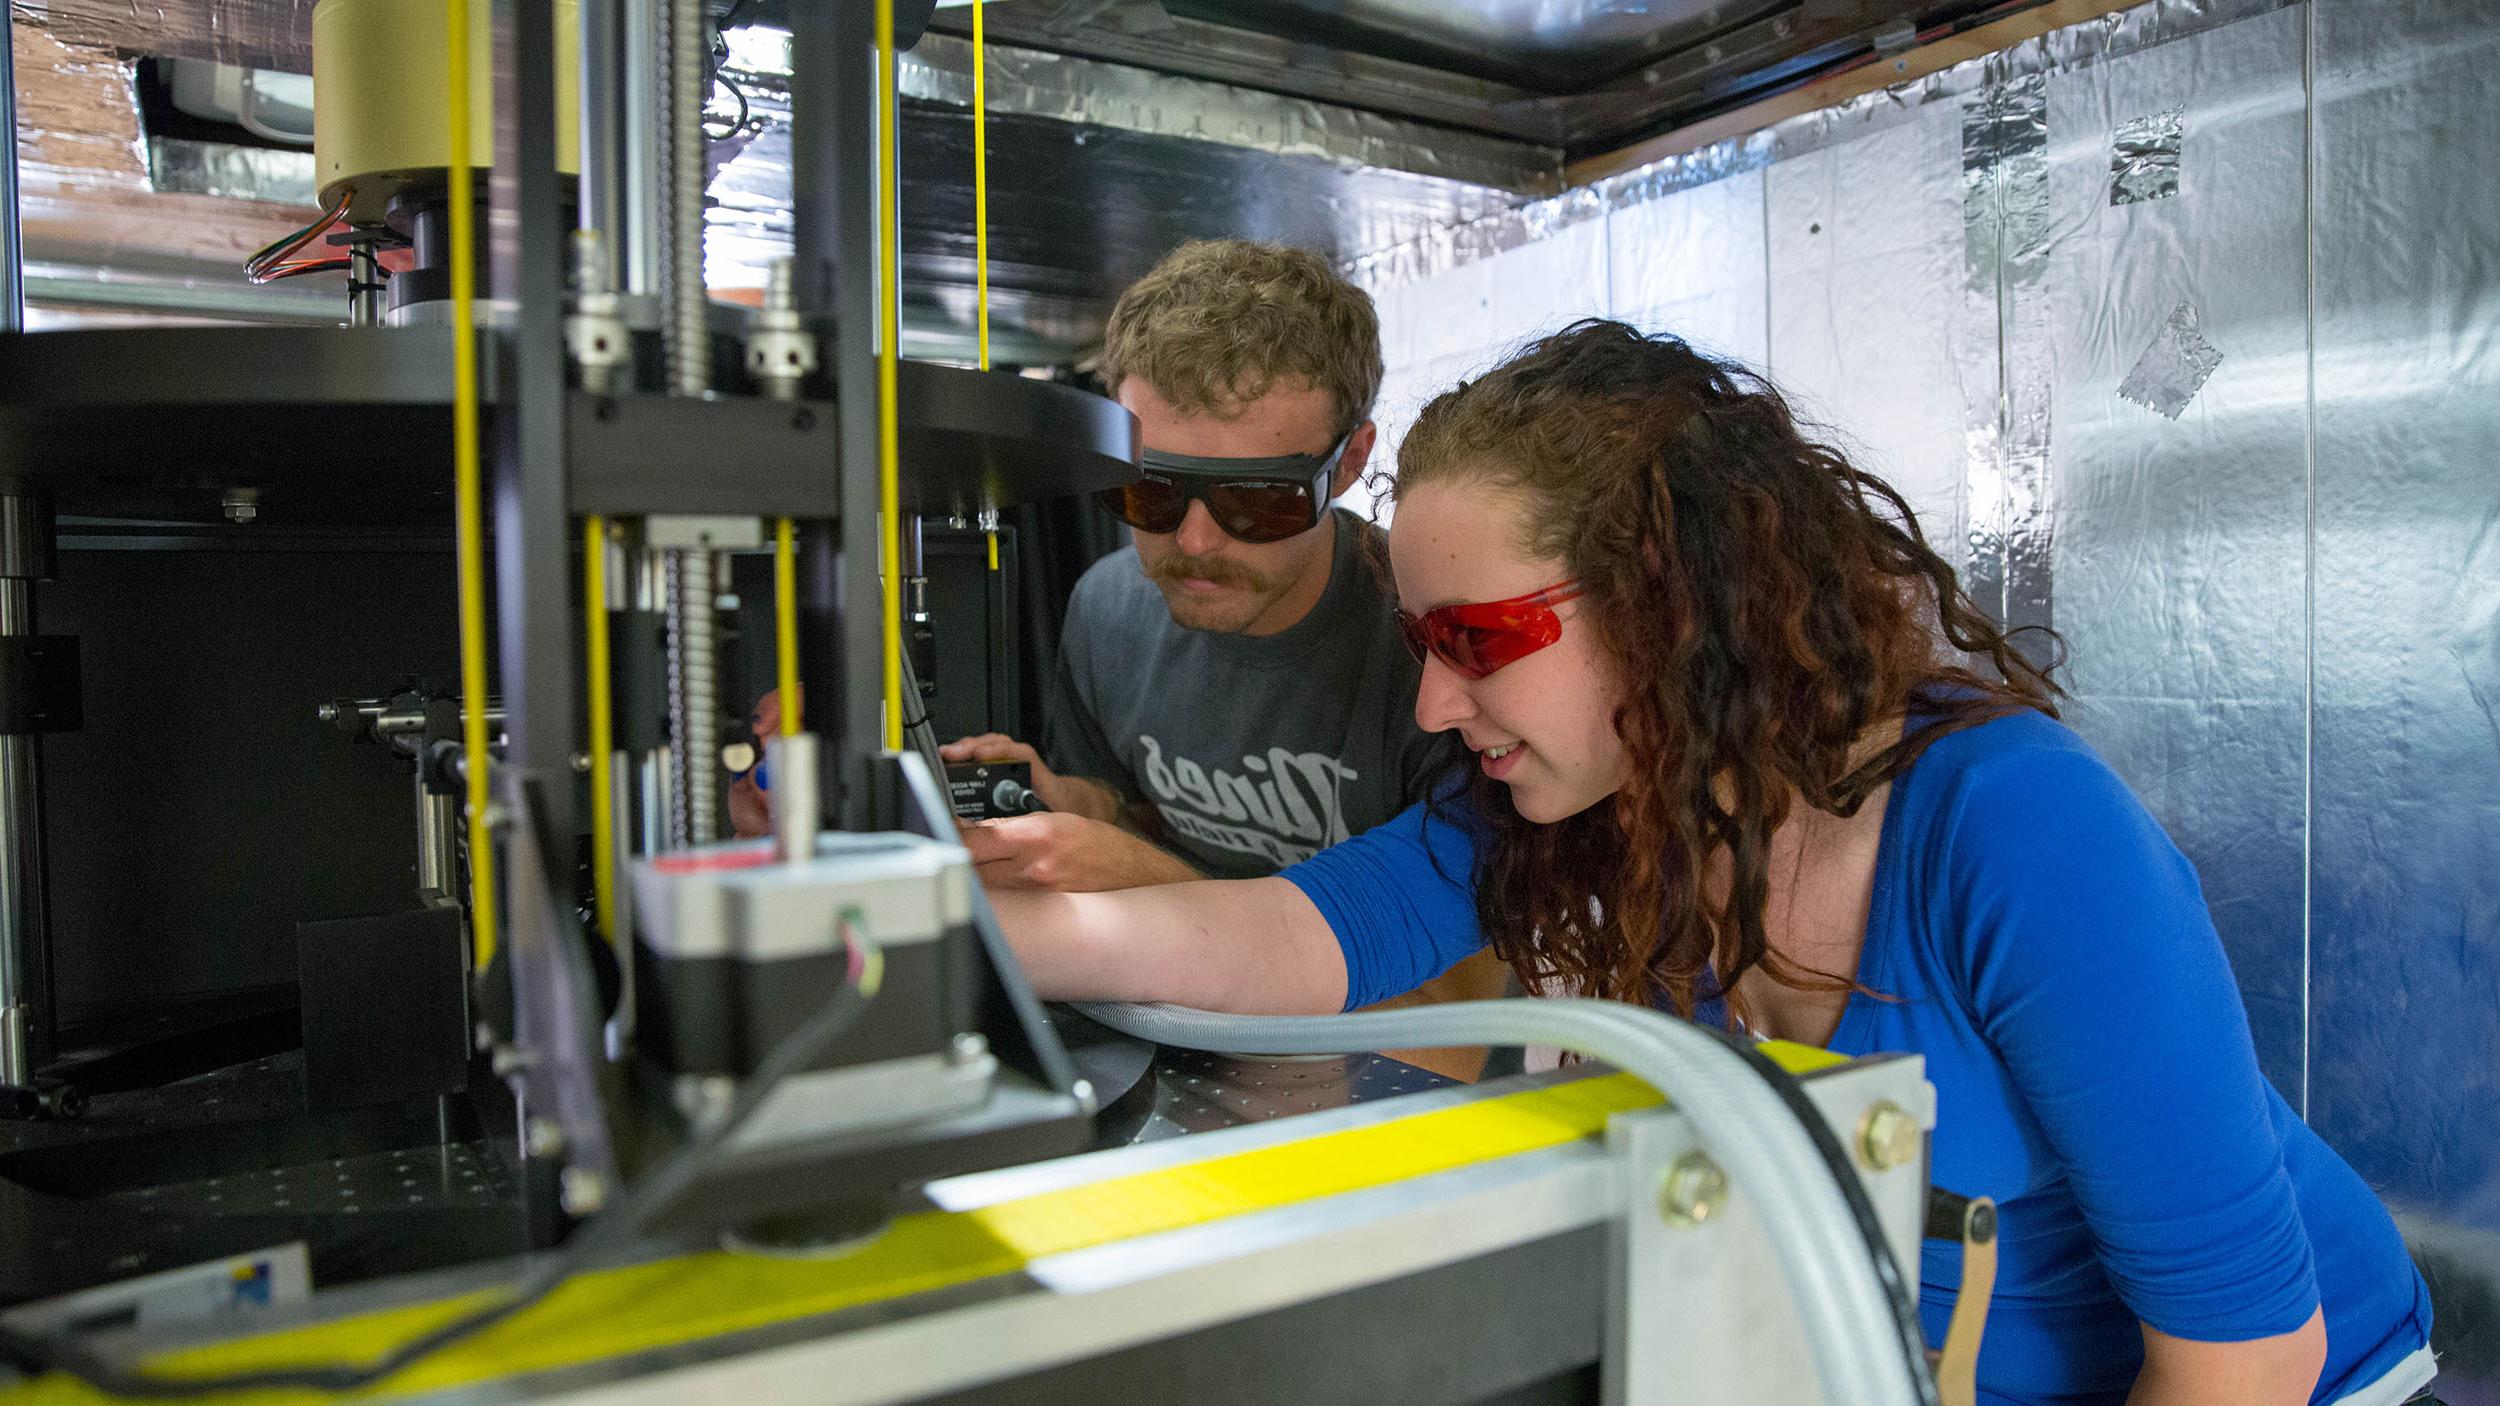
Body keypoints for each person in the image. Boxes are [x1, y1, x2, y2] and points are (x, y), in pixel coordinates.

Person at [990, 320, 2437, 1406]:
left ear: (1669, 604)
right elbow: (1298, 938)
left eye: (1475, 641)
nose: (1434, 704)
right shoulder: (1607, 804)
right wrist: (969, 922)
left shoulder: (2013, 829)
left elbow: (2248, 1354)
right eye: (1422, 645)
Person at [733, 238, 1505, 1073]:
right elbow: (1140, 813)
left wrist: (1145, 882)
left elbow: (1455, 1038)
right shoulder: (1110, 607)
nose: (1194, 543)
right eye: (1152, 492)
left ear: (1349, 463)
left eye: (1256, 499)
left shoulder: (1439, 661)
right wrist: (1065, 805)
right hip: (1178, 1051)